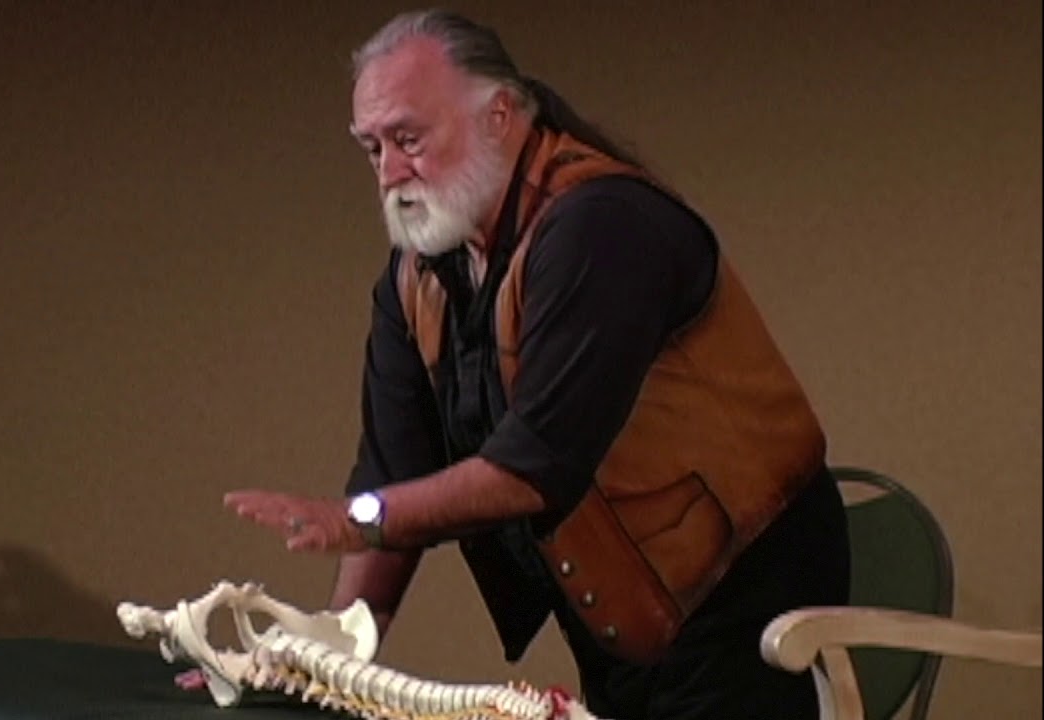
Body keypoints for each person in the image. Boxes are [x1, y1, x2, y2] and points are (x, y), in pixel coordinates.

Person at [223, 9, 850, 720]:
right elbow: (392, 471)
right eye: (372, 149)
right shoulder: (417, 278)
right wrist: (325, 661)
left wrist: (360, 517)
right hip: (630, 628)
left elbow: (536, 463)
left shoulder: (600, 224)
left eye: (409, 139)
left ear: (499, 116)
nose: (390, 173)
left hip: (746, 617)